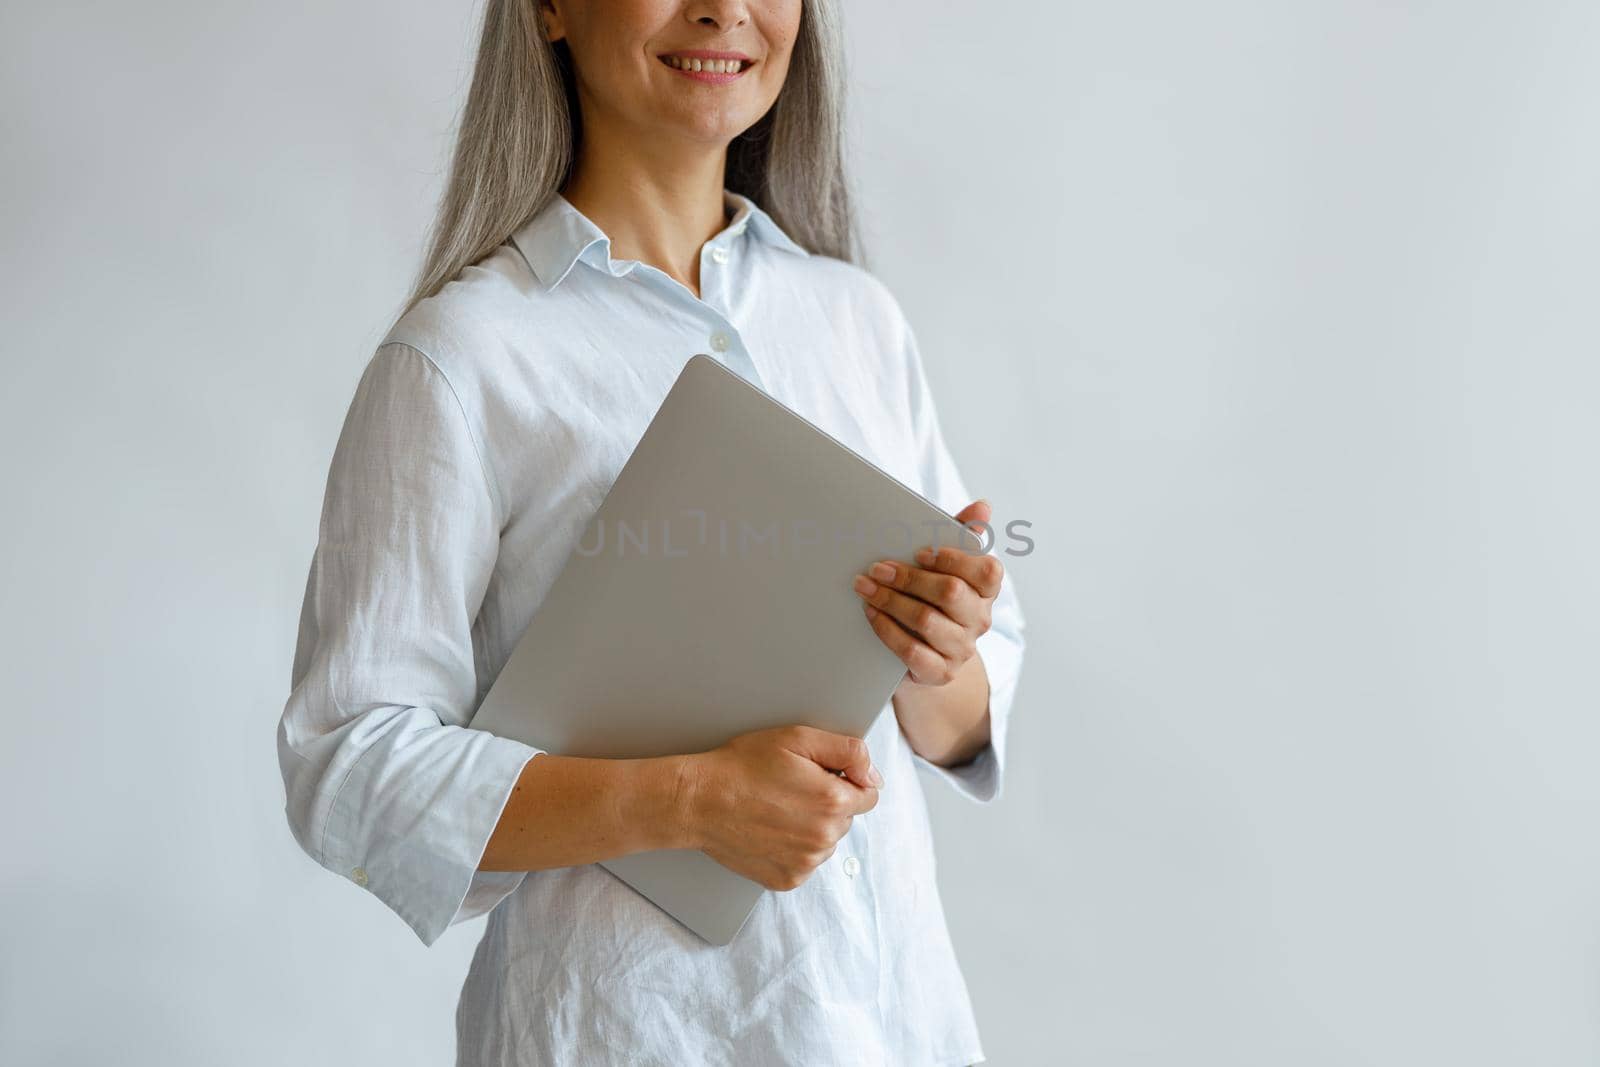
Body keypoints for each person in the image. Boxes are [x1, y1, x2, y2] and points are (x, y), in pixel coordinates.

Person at [276, 0, 1026, 1063]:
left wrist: (933, 649)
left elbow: (960, 717)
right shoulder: (465, 359)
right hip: (631, 1033)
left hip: (901, 1025)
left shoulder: (856, 319)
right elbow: (348, 764)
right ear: (548, 10)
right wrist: (687, 800)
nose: (723, 8)